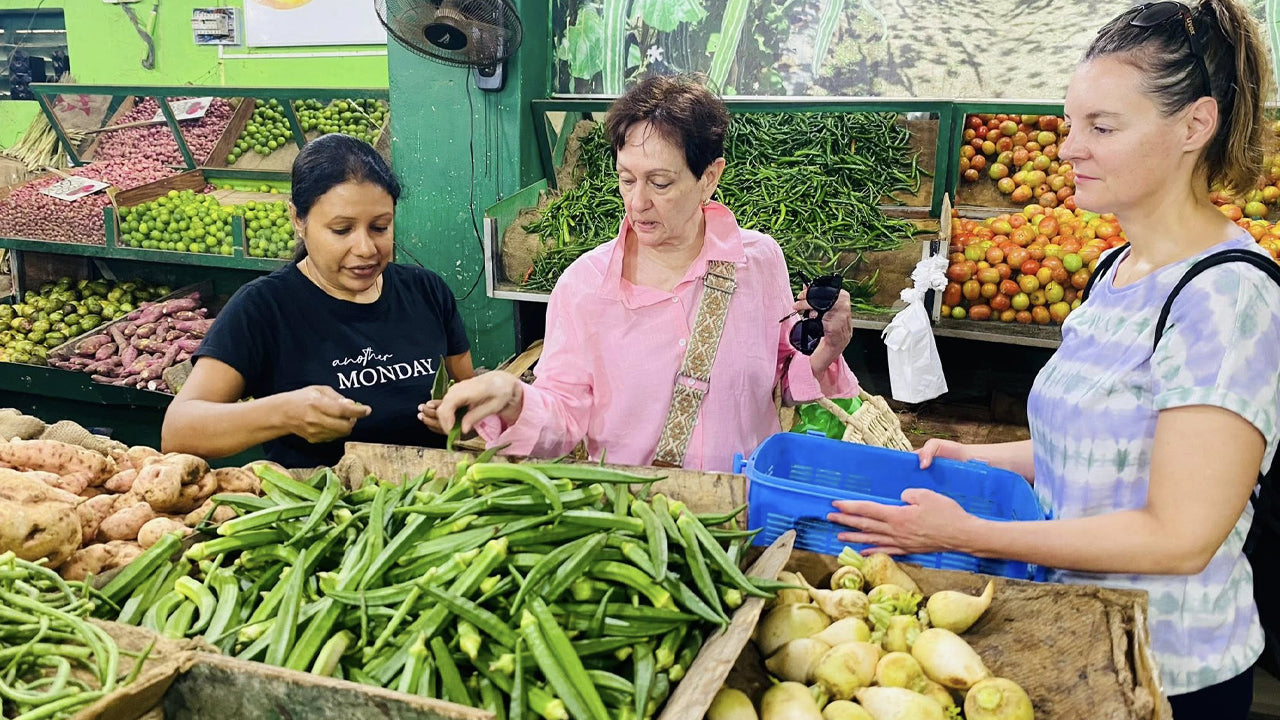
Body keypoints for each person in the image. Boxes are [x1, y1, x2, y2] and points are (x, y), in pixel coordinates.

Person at [827, 2, 1279, 716]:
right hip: (1077, 639)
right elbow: (1104, 448)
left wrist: (971, 535)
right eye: (1071, 124)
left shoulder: (1226, 297)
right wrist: (975, 457)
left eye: (1102, 127)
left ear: (1195, 126)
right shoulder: (1113, 269)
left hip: (1167, 674)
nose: (1070, 148)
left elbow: (1180, 536)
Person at [428, 75, 859, 472]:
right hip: (635, 512)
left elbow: (780, 380)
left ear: (709, 178)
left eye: (660, 183)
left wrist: (828, 347)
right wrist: (515, 399)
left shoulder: (758, 262)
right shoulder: (583, 287)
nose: (637, 203)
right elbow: (562, 418)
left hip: (742, 504)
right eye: (627, 179)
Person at [162, 134, 474, 468]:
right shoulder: (264, 308)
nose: (366, 248)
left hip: (433, 491)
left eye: (380, 227)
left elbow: (468, 391)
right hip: (323, 498)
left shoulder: (427, 291)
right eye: (342, 230)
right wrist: (283, 413)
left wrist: (460, 414)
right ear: (298, 219)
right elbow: (179, 432)